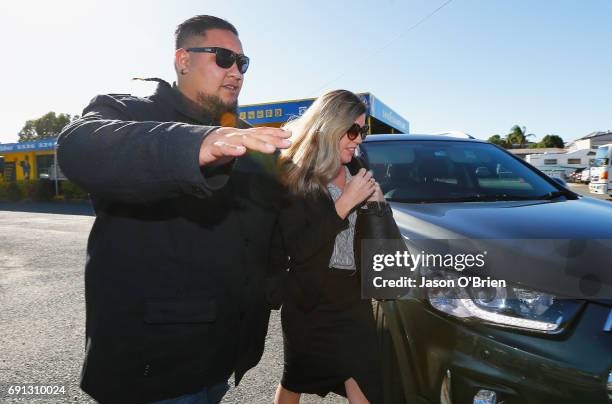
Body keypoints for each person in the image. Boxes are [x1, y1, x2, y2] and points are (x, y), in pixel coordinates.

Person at [57, 15, 291, 404]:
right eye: (223, 58)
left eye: (242, 63)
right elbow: (79, 146)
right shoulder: (129, 111)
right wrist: (199, 145)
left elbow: (272, 234)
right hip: (151, 372)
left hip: (221, 362)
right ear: (183, 60)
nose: (236, 71)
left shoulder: (247, 138)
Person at [273, 90, 384, 404]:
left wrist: (378, 205)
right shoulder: (294, 174)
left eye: (362, 131)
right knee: (295, 380)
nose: (359, 139)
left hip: (352, 298)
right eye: (353, 131)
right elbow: (299, 249)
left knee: (365, 381)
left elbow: (370, 236)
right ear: (330, 128)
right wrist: (344, 204)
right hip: (310, 302)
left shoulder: (356, 168)